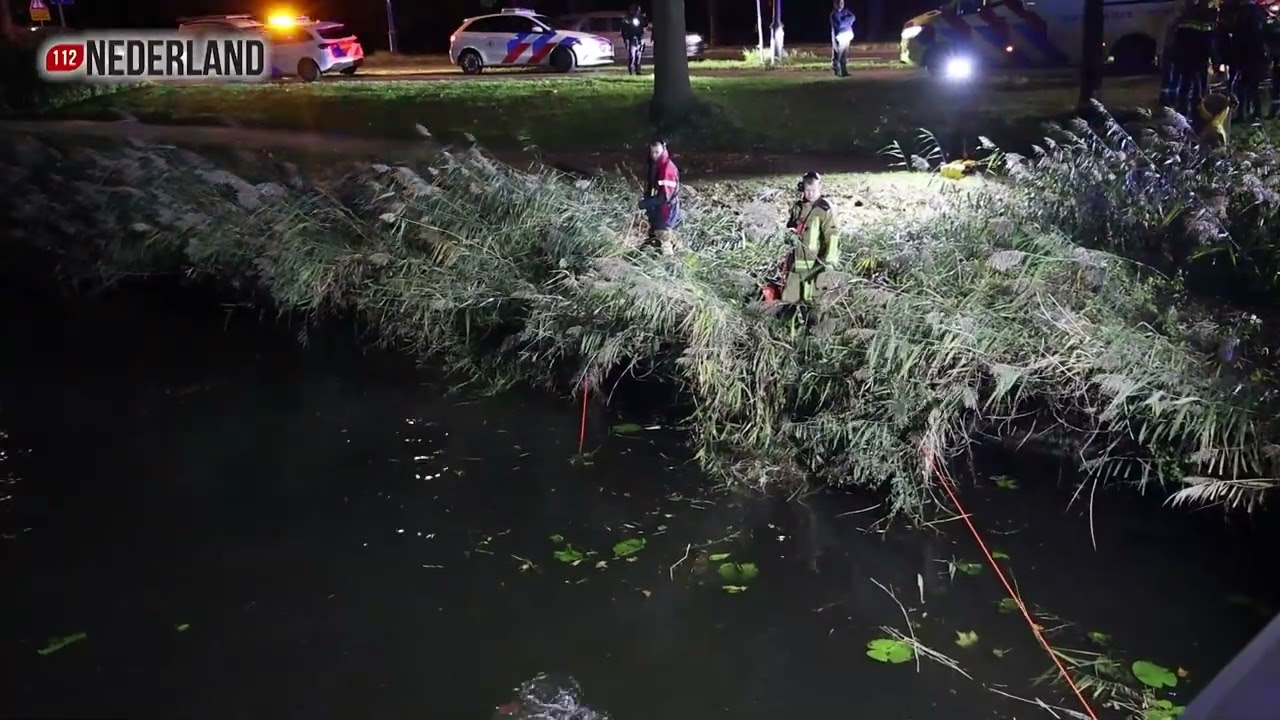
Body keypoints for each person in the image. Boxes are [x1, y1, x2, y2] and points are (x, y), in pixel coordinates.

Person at [781, 173, 840, 305]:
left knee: (814, 302)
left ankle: (813, 325)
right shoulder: (798, 207)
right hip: (796, 264)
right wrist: (789, 235)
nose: (810, 194)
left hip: (816, 265)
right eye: (807, 191)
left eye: (813, 190)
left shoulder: (825, 209)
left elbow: (832, 235)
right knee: (788, 301)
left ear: (820, 188)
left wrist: (829, 262)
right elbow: (790, 227)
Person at [1222, 0, 1268, 121]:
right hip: (1256, 54)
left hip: (1245, 54)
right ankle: (1255, 112)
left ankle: (1242, 112)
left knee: (1241, 85)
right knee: (1253, 85)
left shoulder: (1243, 13)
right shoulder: (1260, 12)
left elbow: (1239, 34)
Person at [1170, 0, 1217, 115]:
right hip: (1200, 58)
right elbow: (1209, 41)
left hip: (1186, 56)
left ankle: (1183, 113)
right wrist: (1214, 58)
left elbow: (1177, 39)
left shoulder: (1185, 16)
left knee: (1186, 86)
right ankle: (1199, 113)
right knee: (1199, 87)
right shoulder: (1205, 16)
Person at [638, 138, 681, 255]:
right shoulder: (656, 166)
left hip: (666, 211)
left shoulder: (667, 170)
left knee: (664, 239)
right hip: (658, 210)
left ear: (663, 150)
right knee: (654, 236)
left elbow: (665, 197)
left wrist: (646, 203)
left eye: (657, 152)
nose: (654, 155)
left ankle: (670, 265)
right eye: (652, 152)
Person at [830, 0, 856, 78]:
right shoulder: (834, 14)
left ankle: (844, 71)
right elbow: (839, 25)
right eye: (839, 3)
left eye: (842, 3)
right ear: (835, 4)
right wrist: (848, 20)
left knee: (844, 55)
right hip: (839, 37)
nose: (841, 5)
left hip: (847, 35)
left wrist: (845, 20)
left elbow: (853, 17)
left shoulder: (846, 11)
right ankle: (837, 71)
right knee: (838, 55)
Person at [622, 3, 648, 76]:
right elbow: (624, 30)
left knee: (638, 55)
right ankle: (631, 69)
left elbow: (644, 25)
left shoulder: (641, 18)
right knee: (632, 55)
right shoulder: (628, 18)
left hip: (640, 38)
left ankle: (638, 69)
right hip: (632, 38)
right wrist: (625, 39)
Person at [1266, 3, 1280, 117]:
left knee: (1276, 86)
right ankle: (1274, 110)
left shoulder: (1273, 26)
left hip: (1276, 59)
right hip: (1276, 59)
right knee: (1275, 85)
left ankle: (1274, 111)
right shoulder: (1273, 26)